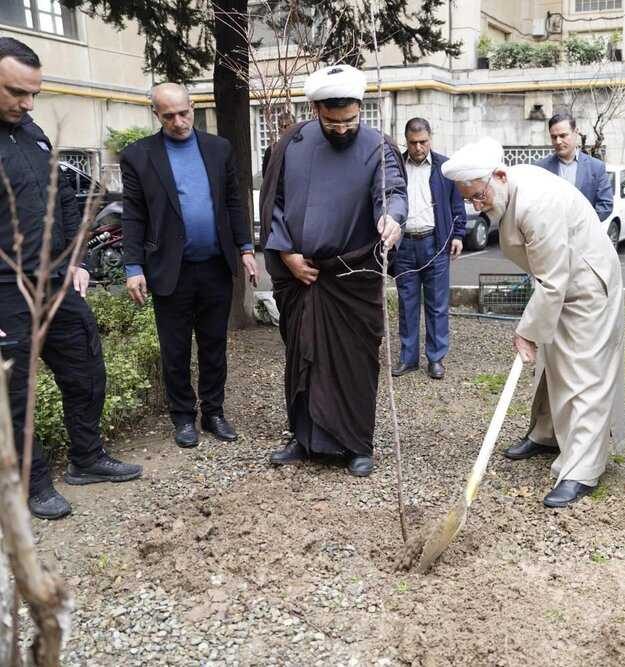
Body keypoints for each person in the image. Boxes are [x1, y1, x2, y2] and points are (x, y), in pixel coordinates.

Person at [0, 37, 142, 520]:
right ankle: (34, 484)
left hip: (58, 279)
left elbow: (63, 196)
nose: (27, 102)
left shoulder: (33, 132)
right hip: (6, 291)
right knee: (16, 393)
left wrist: (77, 260)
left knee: (85, 370)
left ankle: (86, 458)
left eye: (33, 93)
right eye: (16, 91)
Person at [442, 138, 625, 508]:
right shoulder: (509, 187)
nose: (477, 206)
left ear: (498, 176)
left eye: (479, 196)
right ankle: (547, 435)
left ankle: (581, 469)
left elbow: (554, 280)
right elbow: (549, 277)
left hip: (587, 285)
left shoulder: (536, 203)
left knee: (585, 374)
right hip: (558, 281)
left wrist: (525, 331)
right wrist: (532, 330)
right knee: (552, 363)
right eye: (470, 200)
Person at [259, 64, 405, 477]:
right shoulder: (292, 143)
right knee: (301, 358)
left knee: (356, 361)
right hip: (301, 276)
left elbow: (391, 191)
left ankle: (357, 444)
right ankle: (302, 438)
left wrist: (392, 218)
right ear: (316, 110)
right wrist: (286, 253)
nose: (342, 129)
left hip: (352, 277)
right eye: (332, 121)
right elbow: (274, 203)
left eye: (350, 120)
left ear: (361, 109)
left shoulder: (379, 146)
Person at [121, 83, 257, 449]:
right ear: (156, 115)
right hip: (170, 270)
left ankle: (214, 412)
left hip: (214, 265)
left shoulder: (218, 149)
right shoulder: (139, 155)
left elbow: (233, 201)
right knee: (176, 349)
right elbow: (133, 215)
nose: (179, 122)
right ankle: (182, 417)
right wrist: (133, 266)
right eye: (169, 116)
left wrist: (245, 247)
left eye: (184, 113)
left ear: (192, 107)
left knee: (214, 344)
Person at [391, 117, 466, 380]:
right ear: (406, 141)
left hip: (436, 243)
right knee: (407, 304)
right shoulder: (396, 166)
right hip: (404, 246)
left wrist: (458, 235)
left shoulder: (446, 167)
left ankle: (436, 359)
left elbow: (457, 205)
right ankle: (408, 358)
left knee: (437, 305)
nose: (419, 148)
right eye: (413, 143)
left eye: (423, 142)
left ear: (430, 139)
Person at [535, 113, 613, 222]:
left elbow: (606, 205)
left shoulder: (596, 167)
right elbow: (535, 205)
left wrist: (582, 226)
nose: (558, 141)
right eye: (554, 137)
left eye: (563, 136)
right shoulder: (540, 168)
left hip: (585, 235)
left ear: (575, 132)